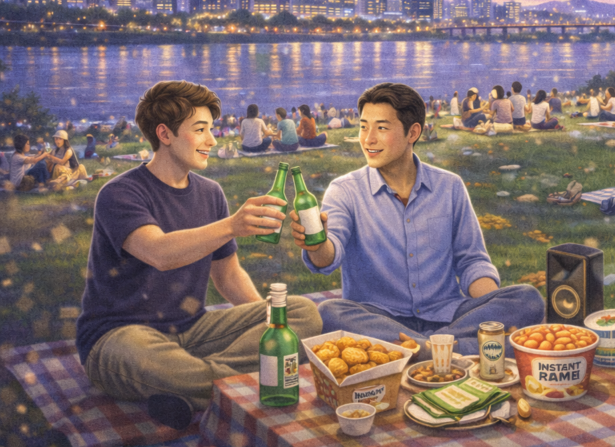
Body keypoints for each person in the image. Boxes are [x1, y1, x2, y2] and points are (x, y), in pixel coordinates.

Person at [75, 81, 322, 429]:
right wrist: (231, 226)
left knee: (302, 313)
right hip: (120, 334)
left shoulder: (210, 193)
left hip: (194, 328)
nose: (213, 140)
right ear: (165, 134)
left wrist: (268, 325)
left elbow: (227, 275)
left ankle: (195, 387)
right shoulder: (120, 193)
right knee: (149, 361)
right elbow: (159, 252)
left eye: (211, 129)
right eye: (201, 130)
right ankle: (224, 380)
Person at [294, 82, 544, 356]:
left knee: (527, 298)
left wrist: (489, 309)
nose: (368, 139)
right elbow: (330, 254)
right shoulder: (345, 190)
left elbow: (472, 261)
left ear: (413, 132)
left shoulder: (449, 186)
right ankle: (462, 349)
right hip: (380, 319)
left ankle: (419, 350)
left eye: (381, 128)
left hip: (449, 314)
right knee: (331, 312)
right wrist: (317, 245)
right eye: (363, 126)